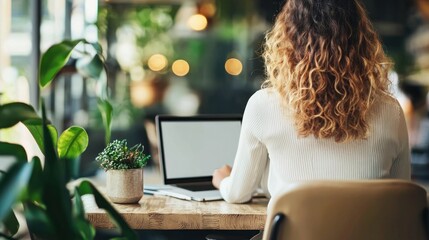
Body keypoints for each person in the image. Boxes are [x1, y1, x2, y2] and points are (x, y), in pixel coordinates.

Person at [212, 0, 411, 204]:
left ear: (287, 40)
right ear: (361, 41)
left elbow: (238, 194)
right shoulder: (391, 111)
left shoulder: (263, 105)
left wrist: (223, 180)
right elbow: (403, 198)